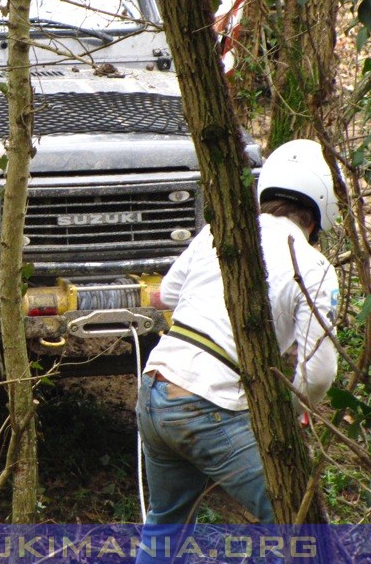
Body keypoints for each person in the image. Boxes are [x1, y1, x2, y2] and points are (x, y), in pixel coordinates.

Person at [137, 139, 340, 538]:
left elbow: (170, 294)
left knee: (166, 524)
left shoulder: (219, 232)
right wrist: (299, 411)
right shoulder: (314, 267)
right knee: (297, 521)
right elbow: (317, 373)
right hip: (208, 404)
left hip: (155, 388)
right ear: (318, 214)